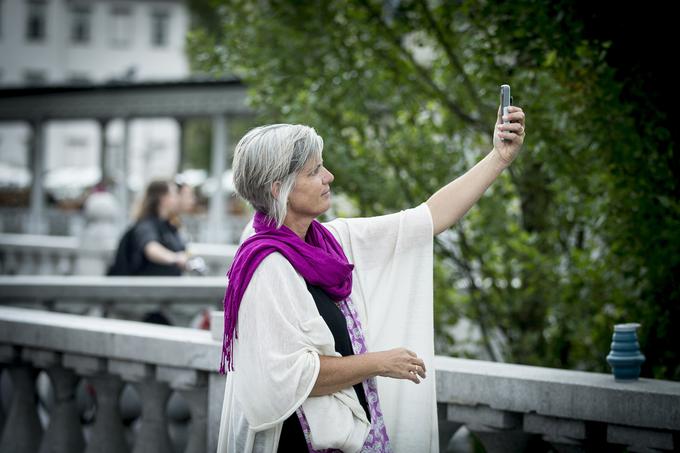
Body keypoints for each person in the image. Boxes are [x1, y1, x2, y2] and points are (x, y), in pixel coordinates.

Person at [216, 105, 525, 452]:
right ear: (278, 188)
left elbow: (428, 218)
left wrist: (498, 158)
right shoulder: (266, 266)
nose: (329, 176)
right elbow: (291, 379)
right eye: (315, 171)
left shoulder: (330, 243)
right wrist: (379, 363)